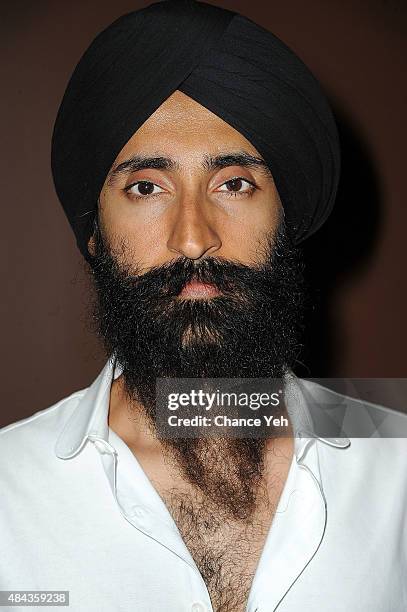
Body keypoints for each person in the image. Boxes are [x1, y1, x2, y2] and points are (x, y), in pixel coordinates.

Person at [1, 1, 406, 611]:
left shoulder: (399, 468)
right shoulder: (9, 490)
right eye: (146, 188)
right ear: (95, 233)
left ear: (286, 219)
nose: (193, 237)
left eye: (234, 183)